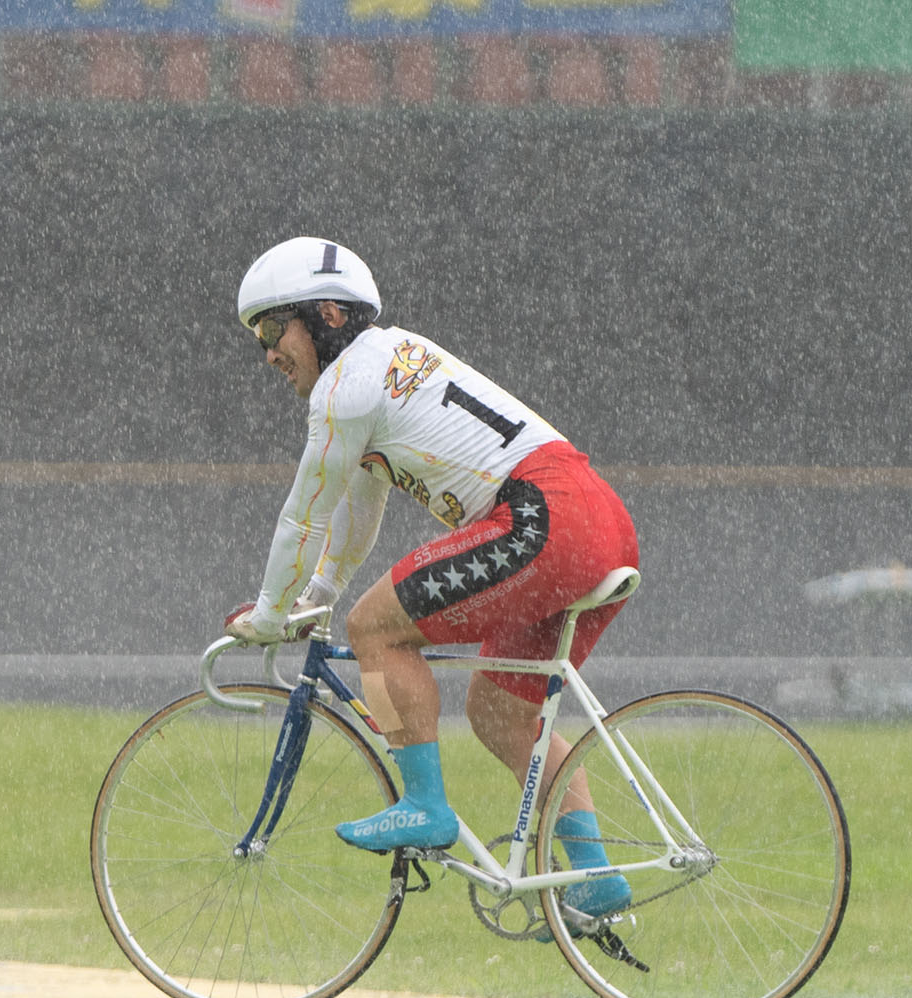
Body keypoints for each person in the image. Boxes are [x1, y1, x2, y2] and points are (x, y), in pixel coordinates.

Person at [224, 236, 638, 920]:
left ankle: (423, 805)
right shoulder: (381, 362)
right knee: (500, 714)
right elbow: (360, 504)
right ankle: (593, 873)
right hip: (598, 518)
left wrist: (270, 613)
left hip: (543, 515)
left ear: (327, 315)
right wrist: (319, 591)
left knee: (373, 629)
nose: (267, 352)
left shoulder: (342, 388)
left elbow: (303, 514)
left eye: (273, 330)